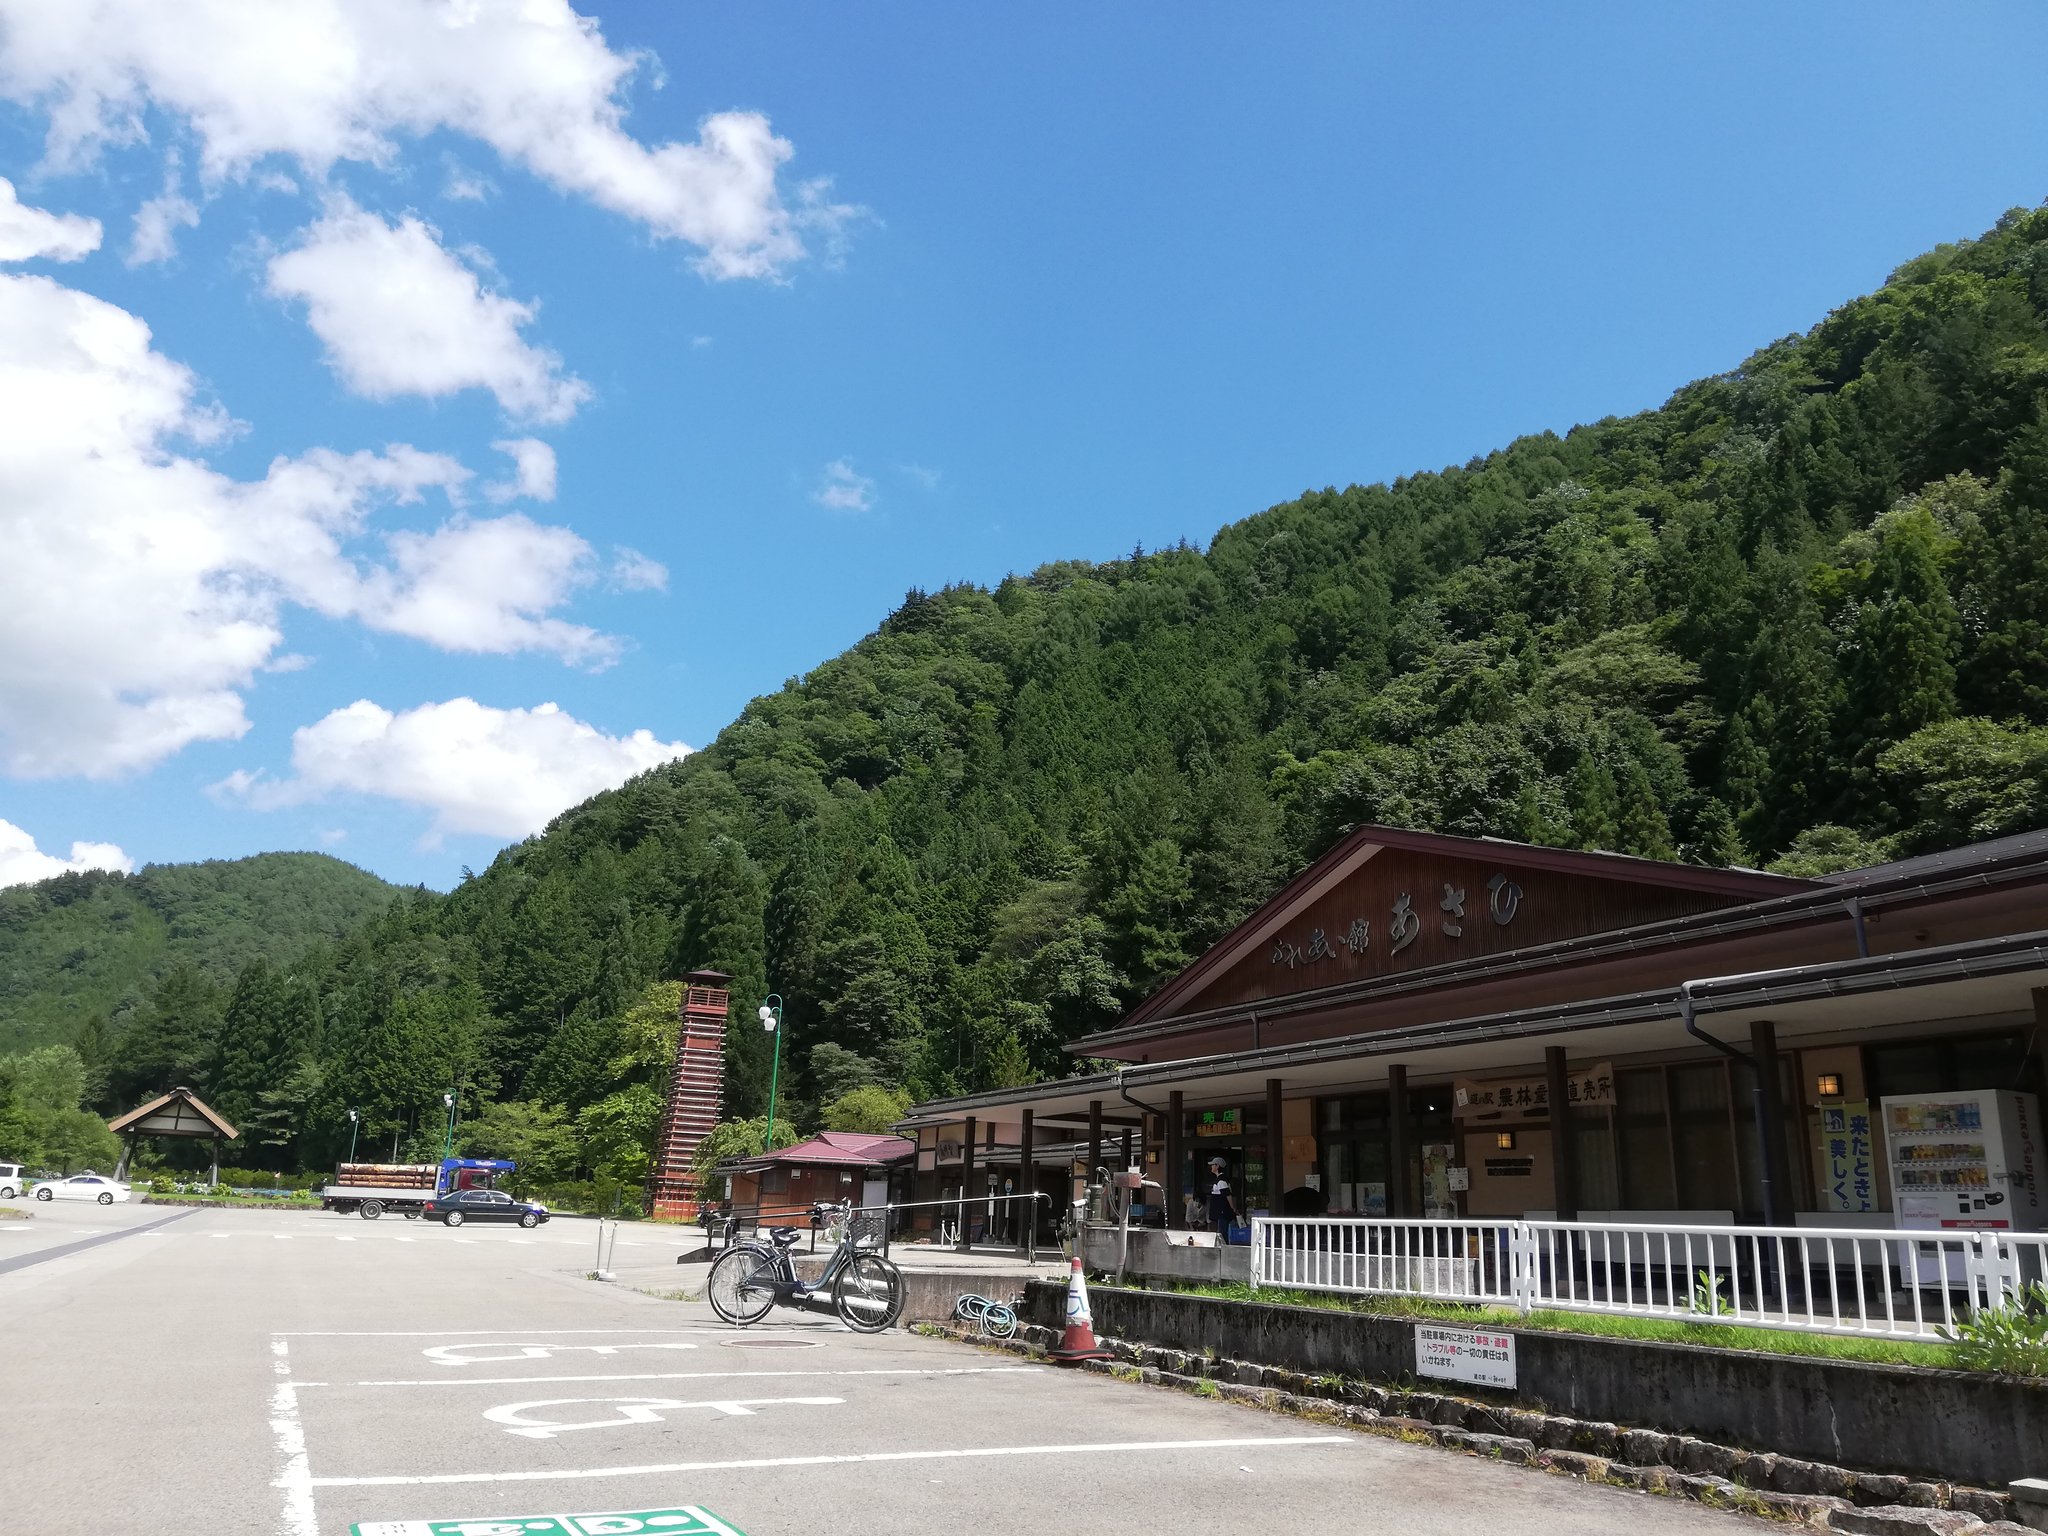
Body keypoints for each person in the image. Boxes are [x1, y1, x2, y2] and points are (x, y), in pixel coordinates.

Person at [1206, 1155, 1243, 1242]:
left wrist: (1233, 1208)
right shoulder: (1219, 1179)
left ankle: (1224, 1247)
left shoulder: (1221, 1181)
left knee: (1222, 1231)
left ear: (1217, 1166)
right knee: (1221, 1230)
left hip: (1222, 1210)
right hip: (1220, 1210)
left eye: (1213, 1165)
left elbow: (1228, 1195)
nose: (1211, 1167)